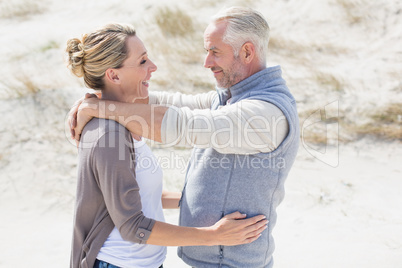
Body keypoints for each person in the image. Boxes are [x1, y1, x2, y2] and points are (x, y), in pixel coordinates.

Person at [70, 7, 299, 268]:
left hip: (233, 261)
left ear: (247, 52)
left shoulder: (265, 114)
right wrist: (98, 100)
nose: (207, 62)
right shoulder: (229, 98)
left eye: (215, 52)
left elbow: (181, 124)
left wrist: (102, 106)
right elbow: (173, 104)